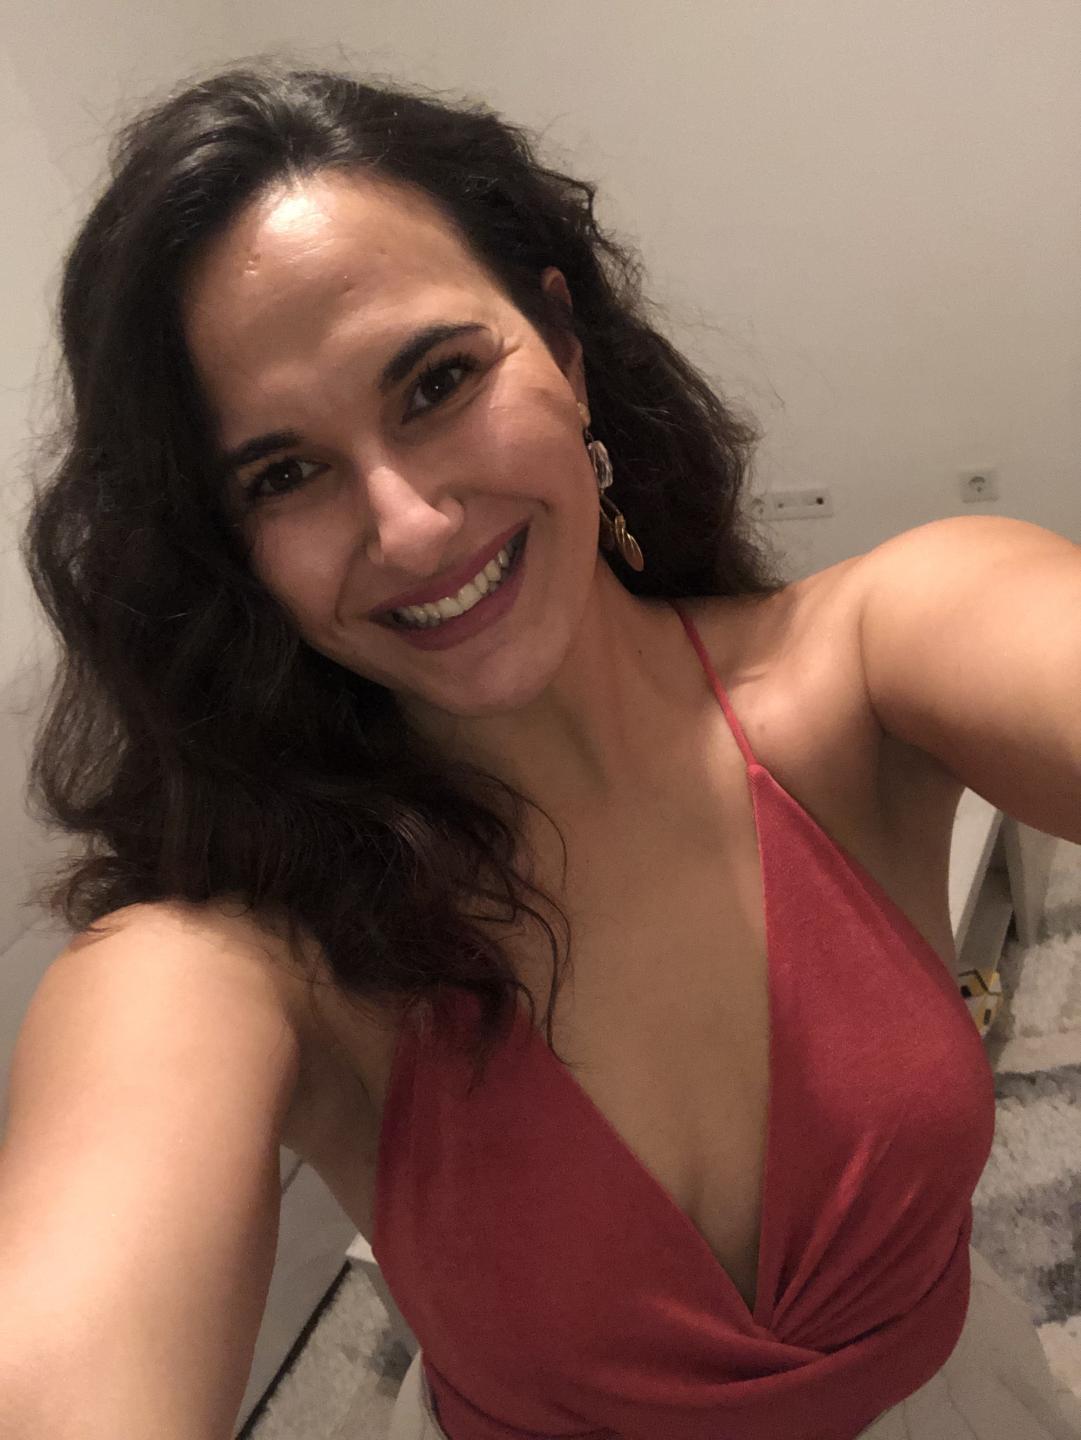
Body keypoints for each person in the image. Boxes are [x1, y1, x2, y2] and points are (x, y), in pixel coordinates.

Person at [4, 58, 1081, 1440]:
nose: (407, 525)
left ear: (563, 347)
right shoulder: (239, 957)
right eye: (283, 474)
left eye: (437, 381)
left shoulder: (871, 657)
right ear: (230, 552)